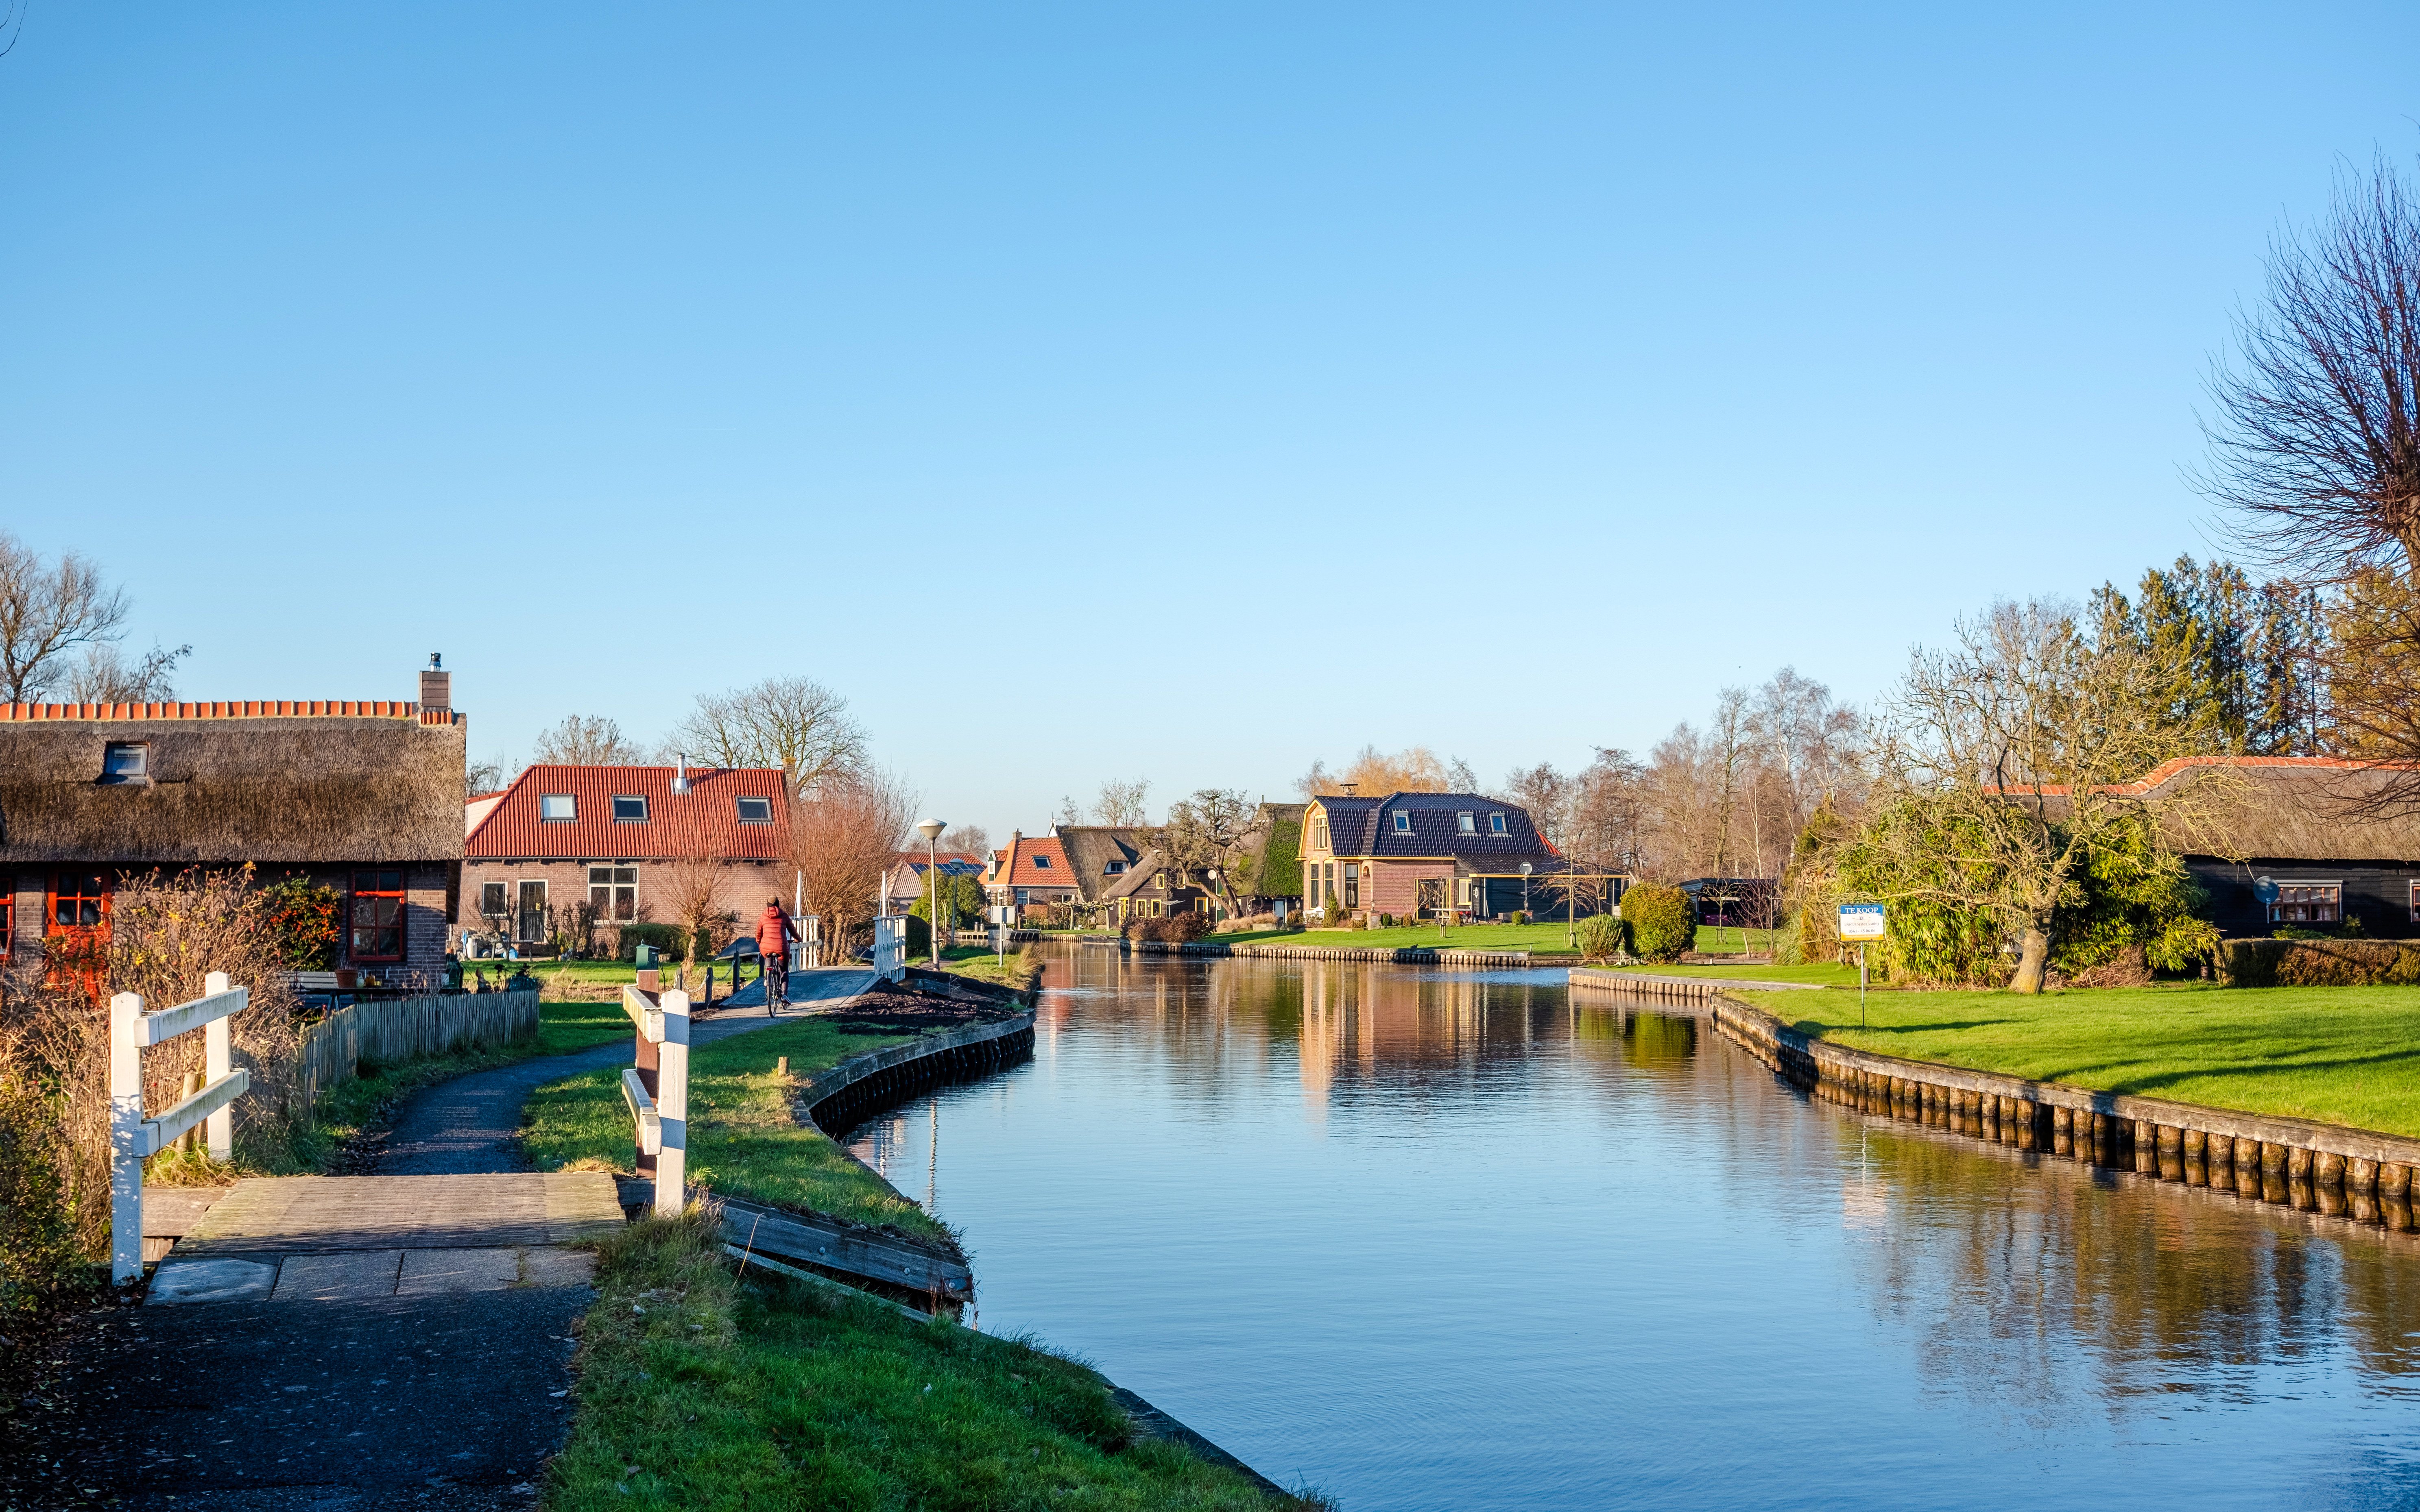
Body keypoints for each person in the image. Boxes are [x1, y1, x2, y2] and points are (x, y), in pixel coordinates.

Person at [756, 894, 800, 1011]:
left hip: (766, 947)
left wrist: (759, 941)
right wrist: (798, 939)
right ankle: (784, 995)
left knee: (768, 957)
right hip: (781, 947)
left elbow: (759, 933)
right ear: (778, 904)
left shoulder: (763, 916)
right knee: (784, 970)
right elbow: (792, 930)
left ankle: (767, 979)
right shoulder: (784, 915)